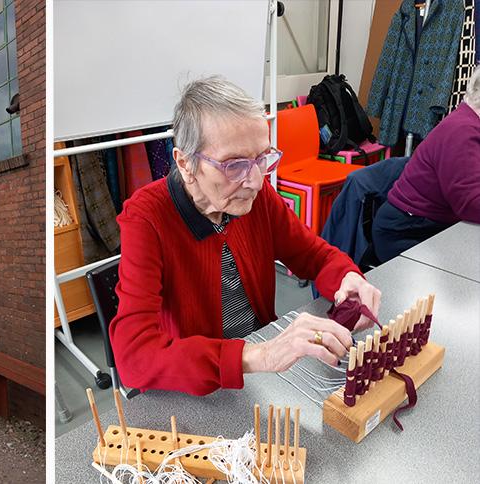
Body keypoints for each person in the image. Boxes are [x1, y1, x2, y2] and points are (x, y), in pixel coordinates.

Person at [110, 77, 382, 396]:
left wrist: (348, 278)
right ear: (185, 164)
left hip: (259, 372)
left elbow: (315, 256)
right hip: (199, 384)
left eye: (262, 158)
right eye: (235, 165)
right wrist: (258, 355)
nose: (255, 180)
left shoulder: (256, 197)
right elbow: (135, 358)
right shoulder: (146, 218)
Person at [371, 68, 480, 263]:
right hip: (407, 232)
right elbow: (469, 202)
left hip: (424, 224)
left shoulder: (468, 122)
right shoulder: (463, 131)